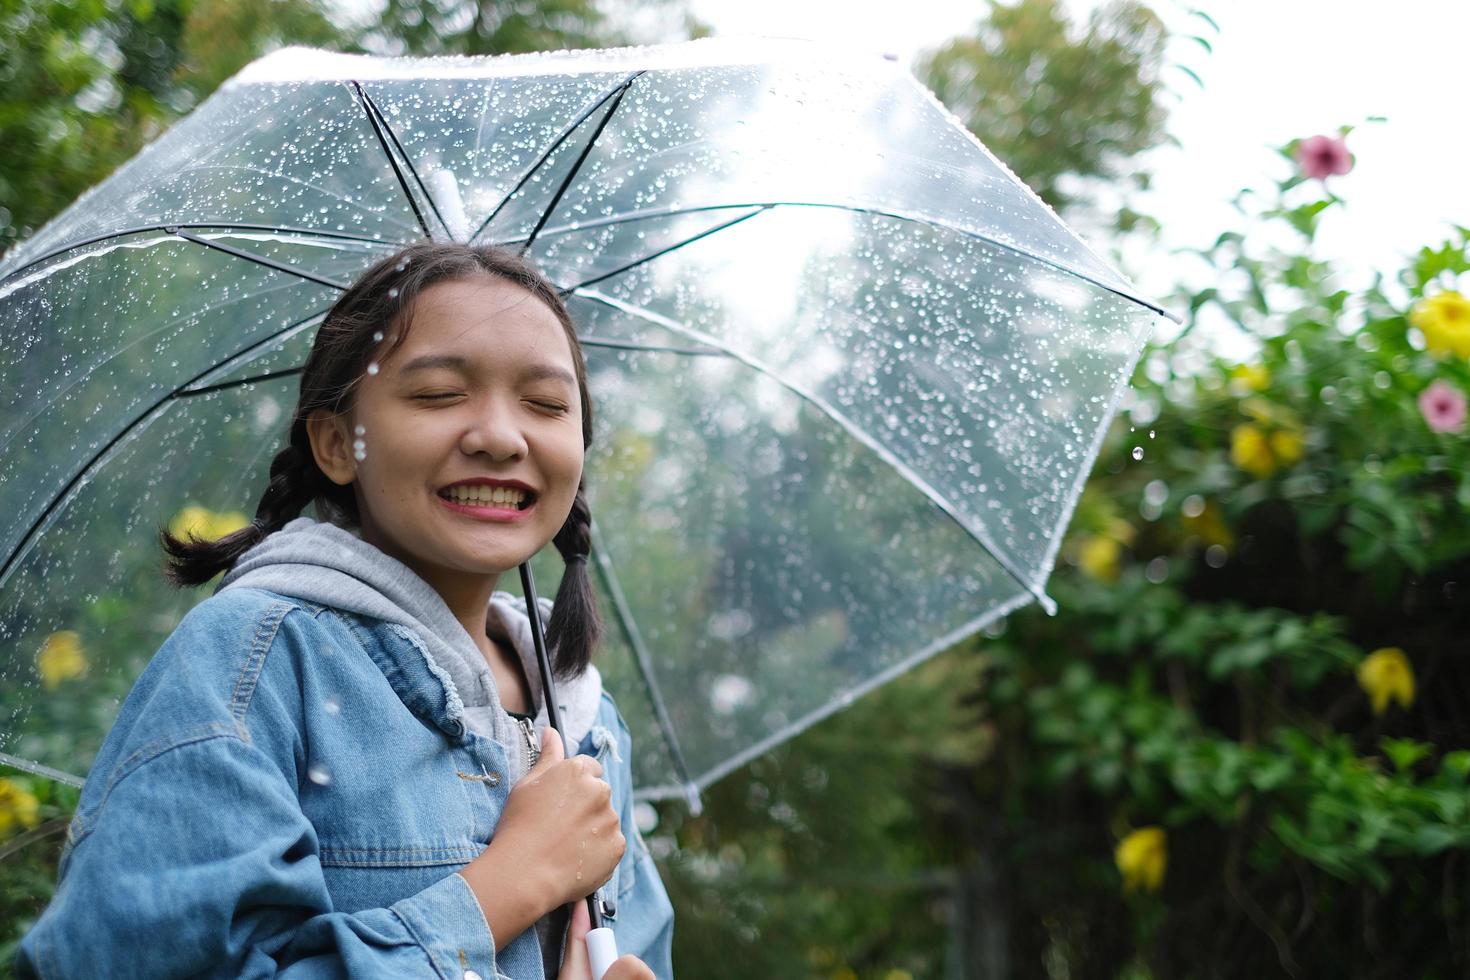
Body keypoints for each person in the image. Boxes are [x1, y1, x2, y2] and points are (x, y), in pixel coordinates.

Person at [14, 242, 675, 978]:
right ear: (335, 443)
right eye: (438, 394)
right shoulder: (255, 664)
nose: (499, 435)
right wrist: (504, 889)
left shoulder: (587, 720)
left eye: (547, 405)